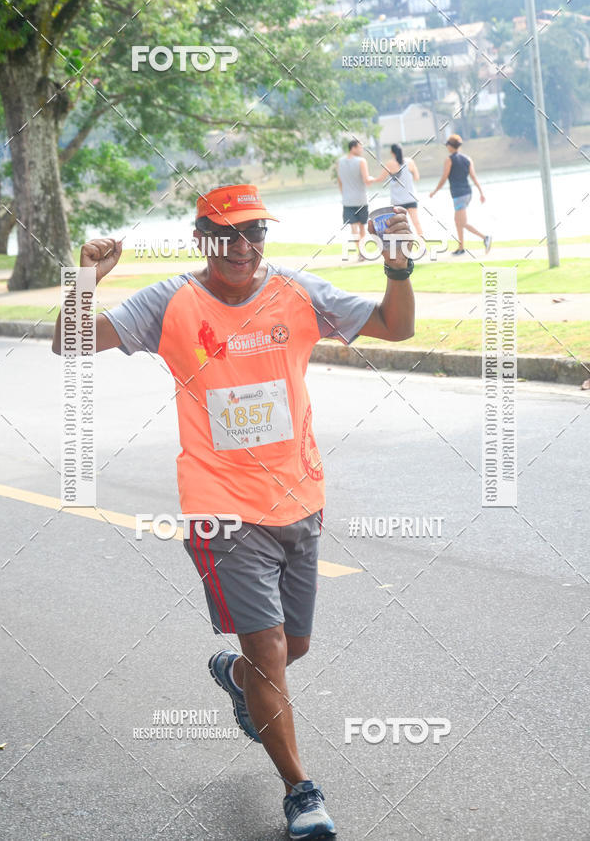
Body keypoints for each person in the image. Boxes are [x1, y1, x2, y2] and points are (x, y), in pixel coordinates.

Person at [52, 184, 415, 840]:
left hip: (300, 499)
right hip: (220, 509)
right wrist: (84, 278)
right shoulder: (171, 303)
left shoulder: (297, 293)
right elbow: (70, 341)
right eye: (228, 234)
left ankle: (236, 675)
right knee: (273, 647)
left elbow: (397, 325)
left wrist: (397, 265)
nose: (243, 247)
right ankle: (301, 792)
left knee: (290, 647)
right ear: (200, 238)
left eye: (255, 233)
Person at [429, 133, 492, 256]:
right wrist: (481, 192)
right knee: (458, 221)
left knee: (462, 222)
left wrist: (435, 191)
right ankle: (461, 247)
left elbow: (444, 177)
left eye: (447, 144)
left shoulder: (449, 160)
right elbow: (473, 177)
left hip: (459, 194)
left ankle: (485, 238)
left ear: (451, 146)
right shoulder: (468, 159)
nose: (447, 147)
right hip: (467, 193)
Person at [337, 139, 378, 261]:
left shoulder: (339, 162)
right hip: (361, 199)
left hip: (347, 200)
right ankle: (363, 252)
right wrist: (376, 179)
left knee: (353, 228)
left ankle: (360, 253)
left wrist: (344, 194)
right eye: (360, 147)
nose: (361, 150)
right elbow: (366, 180)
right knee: (362, 228)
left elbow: (340, 181)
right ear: (353, 148)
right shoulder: (361, 161)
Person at [378, 143, 423, 237]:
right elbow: (417, 177)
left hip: (397, 201)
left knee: (400, 226)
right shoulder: (409, 161)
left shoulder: (389, 164)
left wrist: (368, 179)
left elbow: (380, 179)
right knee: (416, 223)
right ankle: (423, 245)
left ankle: (405, 247)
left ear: (391, 152)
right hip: (411, 198)